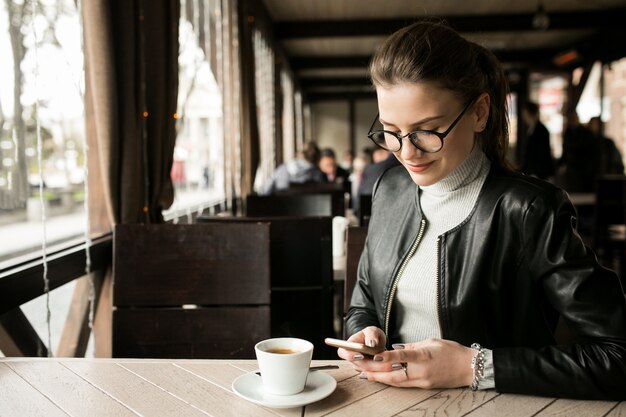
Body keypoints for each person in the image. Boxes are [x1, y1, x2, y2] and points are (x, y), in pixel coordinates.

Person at [339, 20, 626, 400]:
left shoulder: (529, 210)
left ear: (479, 113)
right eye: (390, 130)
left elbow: (618, 356)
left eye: (428, 130)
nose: (407, 153)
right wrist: (366, 333)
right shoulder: (389, 190)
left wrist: (472, 367)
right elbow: (363, 301)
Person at [260, 141, 326, 195]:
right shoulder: (318, 175)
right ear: (318, 158)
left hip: (281, 209)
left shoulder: (282, 169)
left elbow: (265, 191)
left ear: (300, 154)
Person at [556, 111, 599, 192]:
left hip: (582, 167)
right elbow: (566, 151)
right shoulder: (568, 133)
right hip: (572, 167)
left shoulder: (585, 133)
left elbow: (587, 152)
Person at [520, 101, 554, 180]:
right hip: (532, 173)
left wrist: (536, 173)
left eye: (525, 113)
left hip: (538, 174)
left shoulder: (541, 130)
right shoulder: (531, 129)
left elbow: (542, 153)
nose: (523, 117)